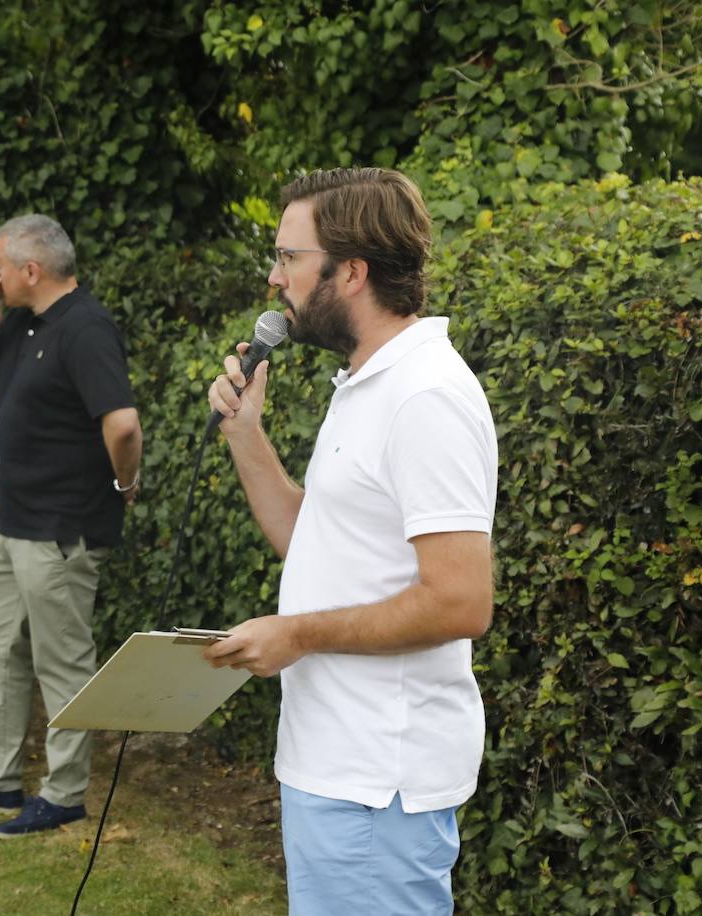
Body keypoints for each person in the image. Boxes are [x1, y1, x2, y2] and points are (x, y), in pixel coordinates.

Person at [202, 167, 498, 913]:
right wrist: (246, 436)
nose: (276, 279)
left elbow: (460, 602)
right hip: (335, 768)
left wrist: (297, 633)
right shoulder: (369, 382)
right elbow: (315, 542)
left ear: (353, 272)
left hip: (377, 786)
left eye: (289, 258)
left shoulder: (425, 396)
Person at [0, 215, 143, 838]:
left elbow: (123, 424)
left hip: (62, 529)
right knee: (0, 647)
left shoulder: (87, 328)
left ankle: (66, 791)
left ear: (31, 270)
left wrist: (124, 485)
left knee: (63, 661)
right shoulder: (18, 323)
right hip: (17, 523)